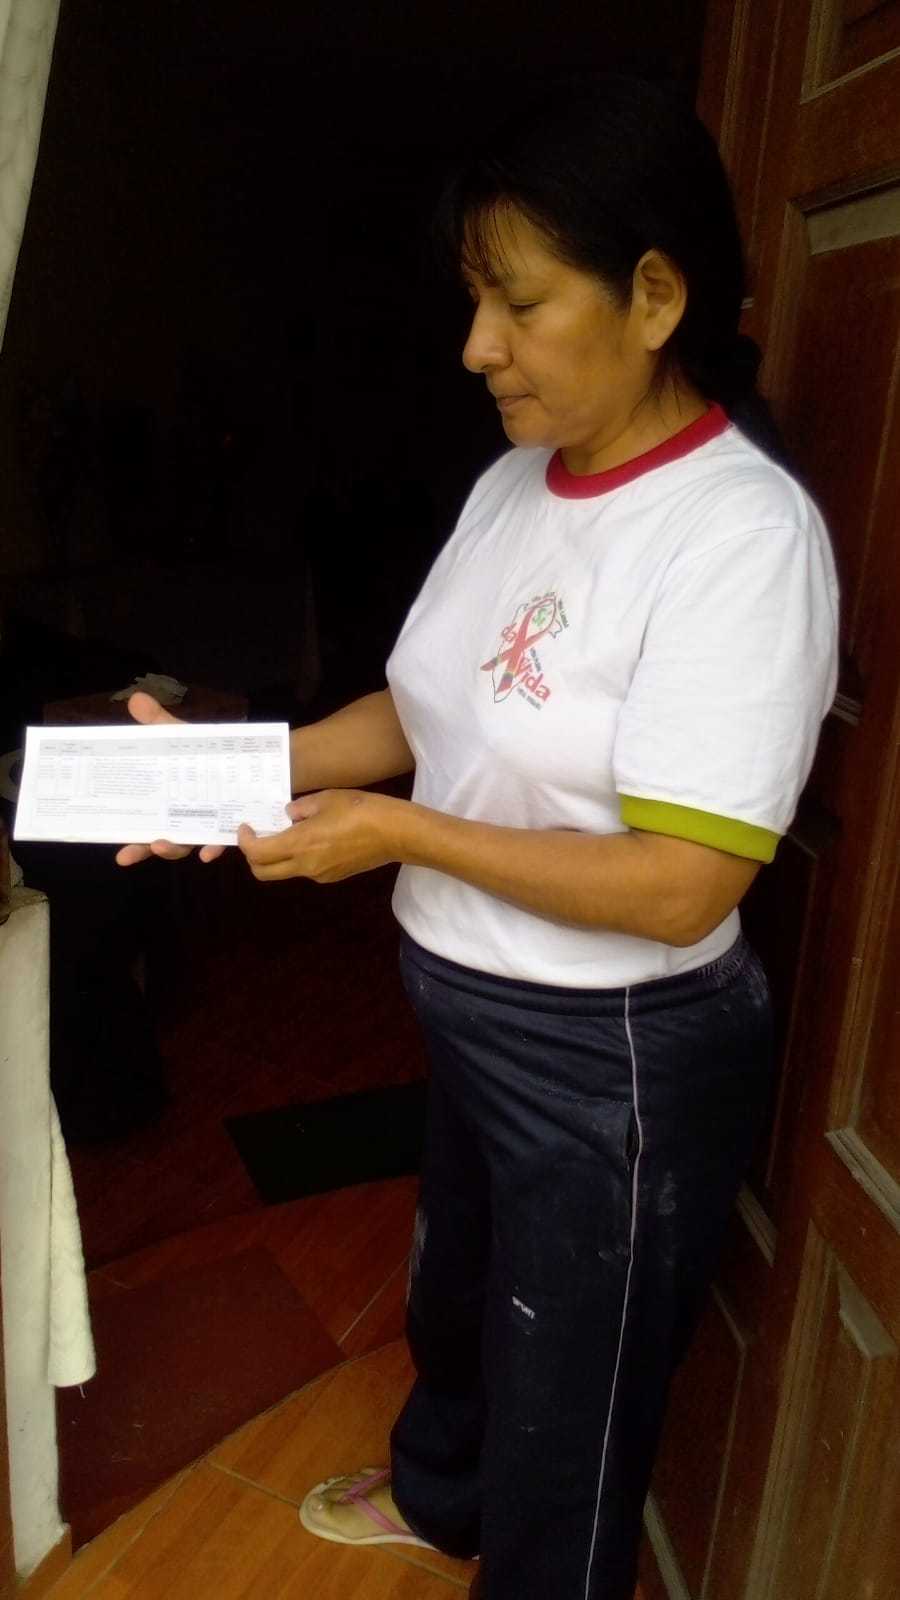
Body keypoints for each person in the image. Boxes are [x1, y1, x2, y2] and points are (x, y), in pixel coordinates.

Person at [118, 76, 839, 1600]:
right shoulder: (519, 481)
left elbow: (684, 886)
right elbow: (420, 702)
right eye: (473, 299)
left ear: (656, 297)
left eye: (516, 302)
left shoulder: (740, 537)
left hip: (608, 1055)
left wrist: (400, 835)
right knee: (458, 1300)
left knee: (570, 1419)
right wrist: (214, 771)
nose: (476, 347)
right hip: (470, 999)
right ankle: (443, 1500)